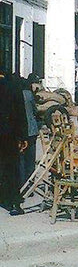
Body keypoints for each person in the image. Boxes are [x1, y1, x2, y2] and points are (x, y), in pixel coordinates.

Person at [0, 73, 28, 215]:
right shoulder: (14, 88)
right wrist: (23, 137)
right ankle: (15, 203)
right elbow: (21, 113)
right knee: (12, 168)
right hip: (9, 135)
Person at [18, 75, 40, 186]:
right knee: (30, 159)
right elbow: (35, 111)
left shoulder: (15, 94)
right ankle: (30, 184)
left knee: (21, 158)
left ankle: (22, 184)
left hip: (20, 131)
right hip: (31, 130)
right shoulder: (29, 94)